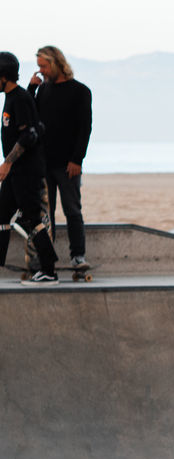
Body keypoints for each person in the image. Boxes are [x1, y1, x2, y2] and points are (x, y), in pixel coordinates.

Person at [28, 45, 91, 268]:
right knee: (45, 215)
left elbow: (85, 128)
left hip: (68, 165)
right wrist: (31, 89)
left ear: (56, 64)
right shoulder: (43, 90)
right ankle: (45, 258)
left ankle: (78, 256)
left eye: (44, 66)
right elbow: (30, 118)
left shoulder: (80, 91)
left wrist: (77, 160)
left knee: (72, 210)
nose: (41, 71)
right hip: (44, 163)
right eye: (39, 67)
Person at [0, 51, 58, 284]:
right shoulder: (13, 96)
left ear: (4, 76)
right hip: (16, 171)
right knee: (2, 215)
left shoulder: (20, 99)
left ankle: (49, 270)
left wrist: (7, 162)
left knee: (32, 219)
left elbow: (29, 135)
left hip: (26, 171)